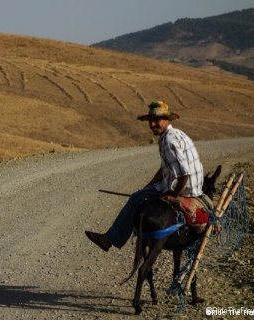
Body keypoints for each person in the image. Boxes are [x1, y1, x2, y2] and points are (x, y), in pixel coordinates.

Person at [85, 101, 204, 251]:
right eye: (151, 121)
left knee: (135, 199)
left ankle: (109, 239)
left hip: (184, 189)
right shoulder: (177, 134)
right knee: (140, 195)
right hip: (193, 186)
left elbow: (184, 174)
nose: (153, 124)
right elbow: (165, 169)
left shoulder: (169, 140)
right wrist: (147, 188)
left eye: (157, 120)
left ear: (167, 120)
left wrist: (173, 195)